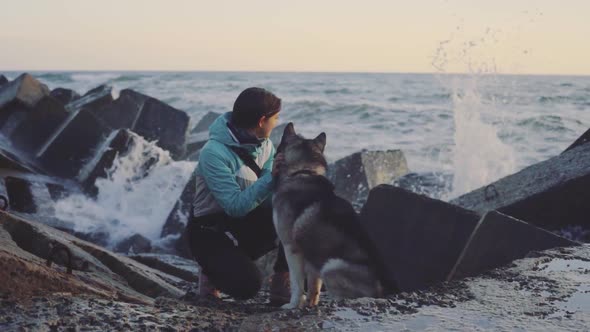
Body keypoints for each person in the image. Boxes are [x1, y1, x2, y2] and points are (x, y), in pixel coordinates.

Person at [185, 87, 289, 305]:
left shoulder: (266, 147)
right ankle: (210, 274)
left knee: (293, 216)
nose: (277, 123)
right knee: (247, 287)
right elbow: (234, 206)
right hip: (209, 230)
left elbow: (268, 193)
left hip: (244, 224)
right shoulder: (213, 152)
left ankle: (282, 281)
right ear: (262, 120)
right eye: (275, 118)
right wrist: (272, 177)